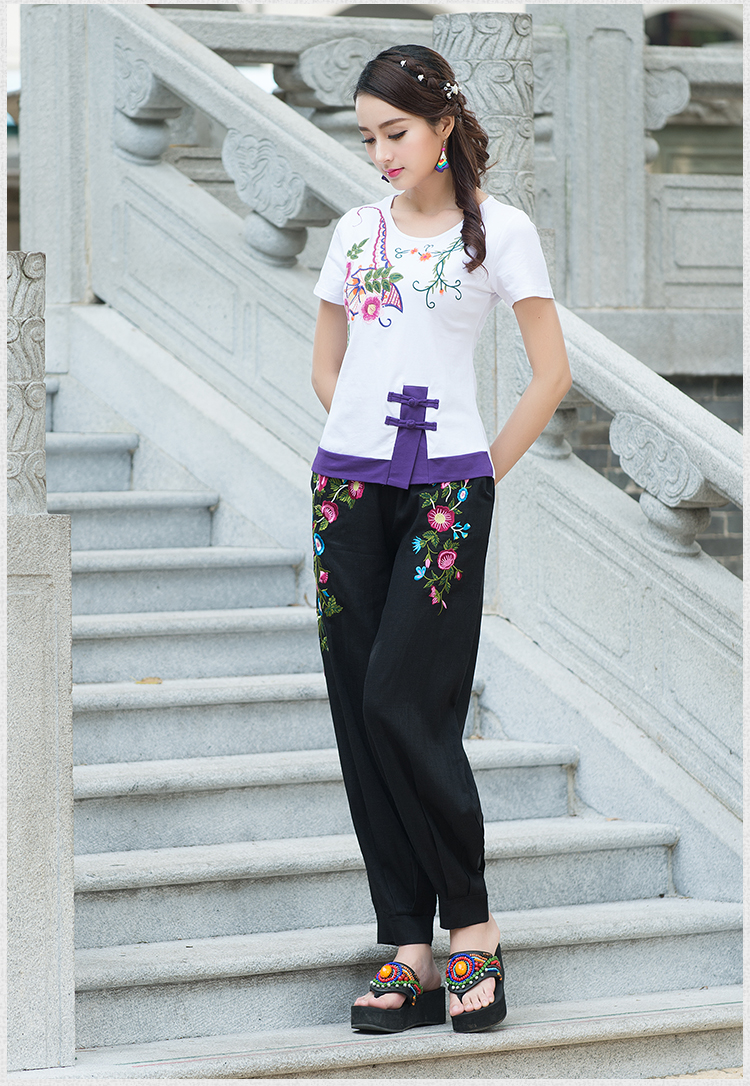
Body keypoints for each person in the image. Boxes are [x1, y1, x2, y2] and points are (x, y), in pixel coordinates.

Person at [310, 44, 572, 1035]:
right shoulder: (354, 231)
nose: (381, 152)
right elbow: (328, 363)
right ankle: (406, 944)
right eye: (368, 136)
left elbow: (551, 372)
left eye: (397, 132)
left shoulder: (499, 232)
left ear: (443, 126)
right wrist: (362, 445)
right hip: (347, 491)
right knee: (358, 708)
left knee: (405, 700)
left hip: (448, 492)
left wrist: (477, 473)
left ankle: (472, 924)